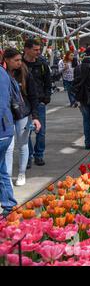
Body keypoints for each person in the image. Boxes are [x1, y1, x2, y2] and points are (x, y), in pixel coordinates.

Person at [3, 48, 41, 187]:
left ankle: (21, 173)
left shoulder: (25, 73)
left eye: (20, 59)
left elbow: (33, 96)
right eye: (16, 60)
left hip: (22, 114)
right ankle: (7, 178)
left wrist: (35, 117)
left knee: (23, 144)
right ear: (6, 60)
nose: (20, 62)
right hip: (6, 116)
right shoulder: (2, 73)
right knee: (8, 147)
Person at [22, 39, 51, 168]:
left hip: (39, 101)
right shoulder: (20, 64)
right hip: (23, 102)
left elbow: (48, 82)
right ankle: (28, 156)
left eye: (39, 49)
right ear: (26, 49)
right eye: (35, 50)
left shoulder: (42, 64)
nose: (38, 52)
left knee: (41, 130)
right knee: (25, 131)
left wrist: (46, 97)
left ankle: (39, 155)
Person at [0, 65, 16, 216]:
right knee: (2, 169)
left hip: (2, 129)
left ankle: (9, 204)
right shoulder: (3, 72)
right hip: (5, 128)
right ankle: (9, 204)